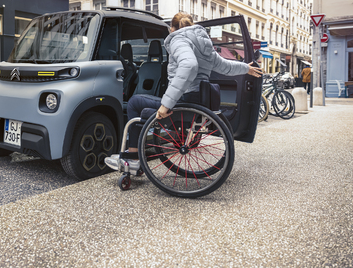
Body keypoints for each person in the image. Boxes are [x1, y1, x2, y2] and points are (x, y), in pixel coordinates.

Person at [105, 12, 263, 171]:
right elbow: (225, 66)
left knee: (134, 103)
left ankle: (132, 158)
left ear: (171, 28)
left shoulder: (177, 39)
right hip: (198, 100)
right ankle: (139, 148)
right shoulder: (205, 44)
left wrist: (166, 104)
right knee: (144, 105)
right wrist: (246, 68)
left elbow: (189, 65)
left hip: (185, 101)